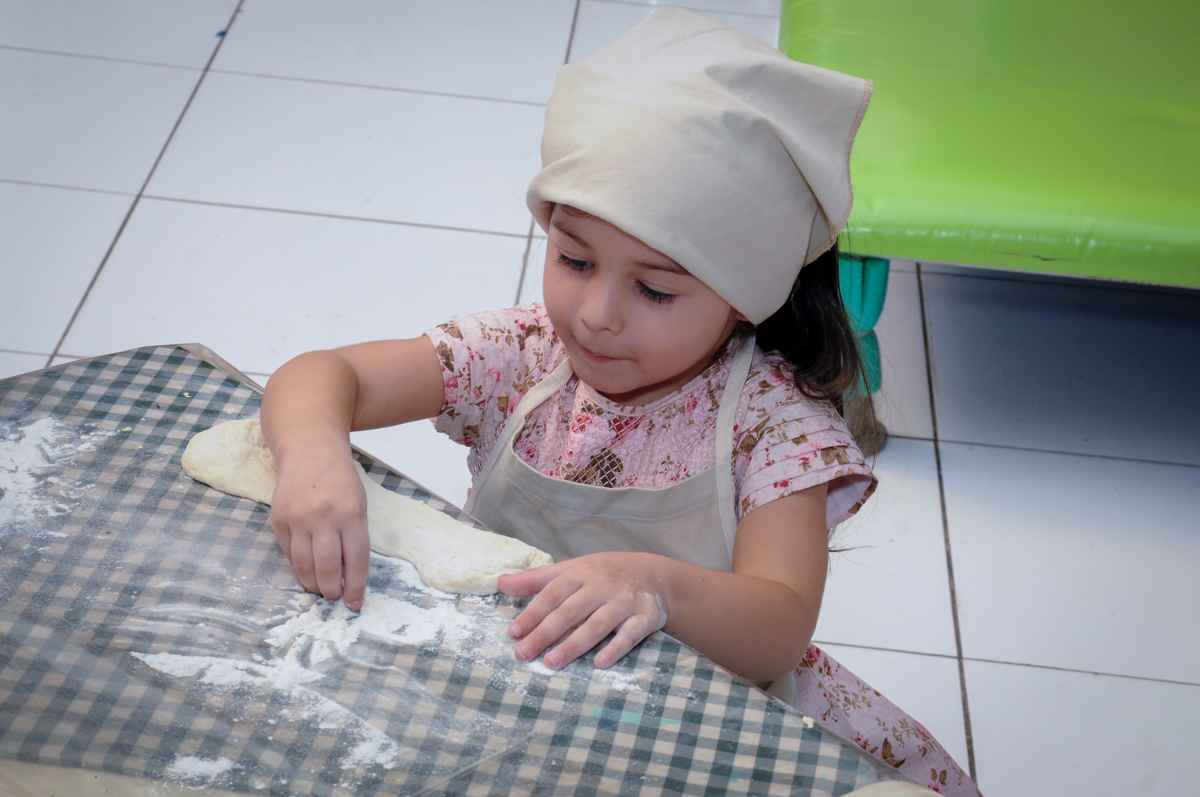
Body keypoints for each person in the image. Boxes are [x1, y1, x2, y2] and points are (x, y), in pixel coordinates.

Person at [259, 8, 979, 795]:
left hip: (696, 730)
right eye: (574, 258)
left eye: (654, 289)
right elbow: (324, 374)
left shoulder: (774, 426)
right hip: (514, 700)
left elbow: (778, 625)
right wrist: (313, 448)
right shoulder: (523, 355)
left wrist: (657, 587)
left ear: (746, 294)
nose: (597, 314)